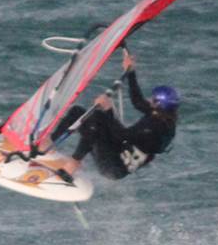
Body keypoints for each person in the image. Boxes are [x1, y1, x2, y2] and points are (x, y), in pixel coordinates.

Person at [36, 49, 178, 182]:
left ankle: (71, 167)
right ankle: (48, 145)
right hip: (116, 150)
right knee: (79, 112)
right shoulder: (161, 115)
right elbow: (137, 101)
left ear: (159, 104)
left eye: (153, 99)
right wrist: (130, 71)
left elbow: (122, 135)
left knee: (96, 119)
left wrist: (109, 109)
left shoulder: (155, 127)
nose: (149, 100)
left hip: (113, 166)